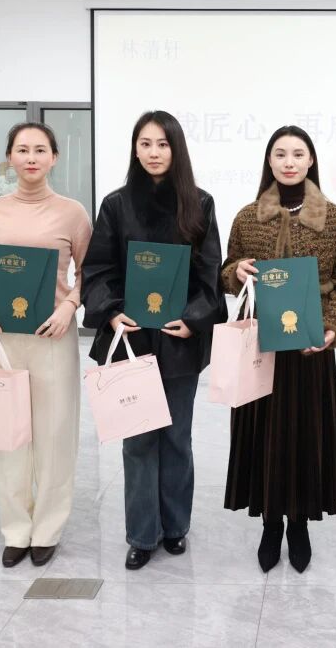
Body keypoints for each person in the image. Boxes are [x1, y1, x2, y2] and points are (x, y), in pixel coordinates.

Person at [80, 111, 226, 570]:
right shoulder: (116, 204)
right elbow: (98, 268)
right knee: (138, 439)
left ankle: (176, 526)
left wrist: (194, 319)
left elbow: (210, 273)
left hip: (179, 339)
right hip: (132, 339)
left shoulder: (200, 204)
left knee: (176, 437)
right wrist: (111, 311)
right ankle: (143, 534)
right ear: (135, 149)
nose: (154, 152)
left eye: (163, 144)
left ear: (176, 149)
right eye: (145, 144)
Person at [221, 125, 336, 573]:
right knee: (262, 434)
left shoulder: (334, 219)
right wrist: (235, 272)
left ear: (311, 160)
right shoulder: (247, 217)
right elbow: (226, 270)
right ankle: (270, 522)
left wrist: (333, 328)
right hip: (259, 346)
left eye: (298, 154)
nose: (289, 162)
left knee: (305, 435)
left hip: (309, 349)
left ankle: (299, 522)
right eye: (280, 154)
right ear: (269, 160)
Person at [0, 122, 92, 569]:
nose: (31, 157)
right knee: (8, 435)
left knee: (55, 435)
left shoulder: (73, 212)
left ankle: (48, 528)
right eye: (22, 149)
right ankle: (16, 528)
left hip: (51, 337)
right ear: (10, 157)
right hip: (0, 338)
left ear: (54, 157)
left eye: (40, 150)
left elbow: (90, 273)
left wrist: (69, 306)